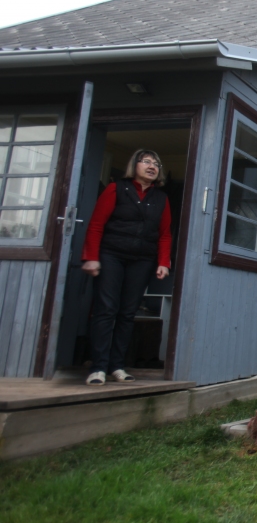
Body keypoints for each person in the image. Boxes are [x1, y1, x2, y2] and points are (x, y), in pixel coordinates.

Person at [81, 149, 172, 385]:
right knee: (106, 309)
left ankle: (117, 366)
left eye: (156, 163)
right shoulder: (116, 189)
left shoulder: (161, 199)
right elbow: (96, 225)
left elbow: (164, 234)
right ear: (135, 165)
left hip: (142, 260)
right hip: (111, 255)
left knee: (127, 313)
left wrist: (163, 262)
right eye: (147, 162)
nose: (152, 166)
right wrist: (91, 257)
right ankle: (98, 367)